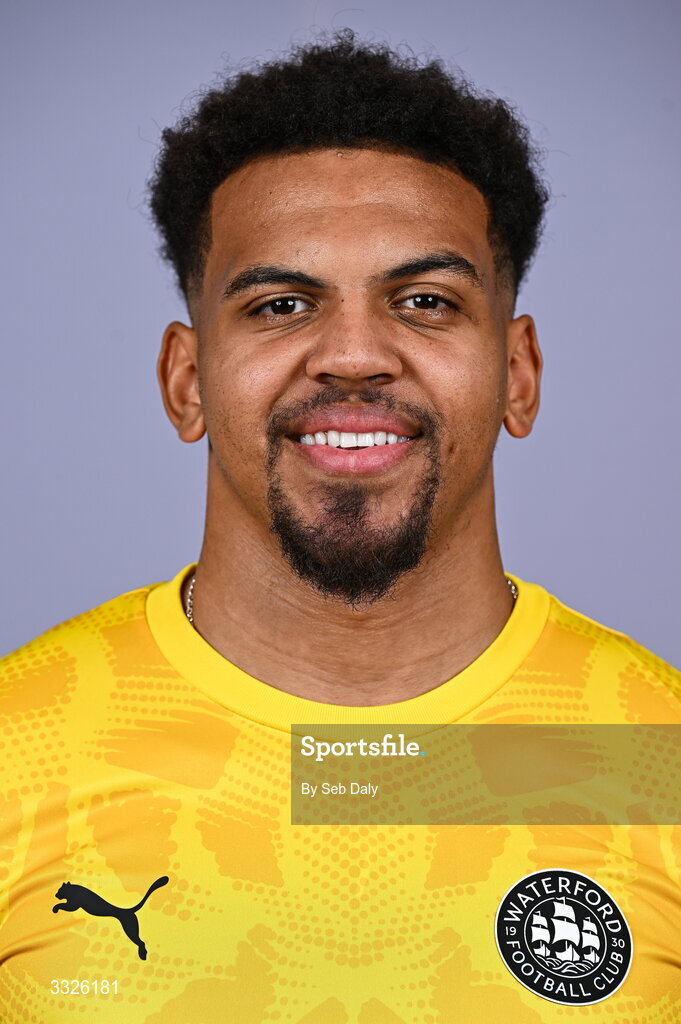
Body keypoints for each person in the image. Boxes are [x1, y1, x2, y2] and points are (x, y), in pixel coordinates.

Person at [1, 32, 678, 1024]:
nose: (353, 353)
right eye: (282, 303)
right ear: (185, 381)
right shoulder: (18, 748)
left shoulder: (659, 754)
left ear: (519, 376)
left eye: (424, 301)